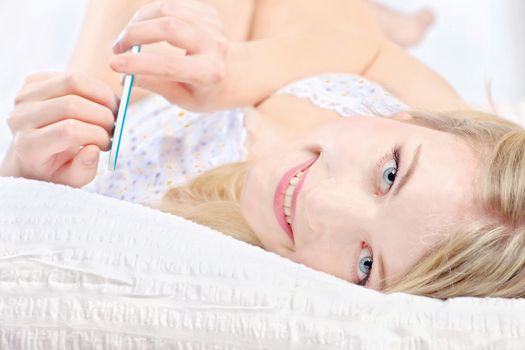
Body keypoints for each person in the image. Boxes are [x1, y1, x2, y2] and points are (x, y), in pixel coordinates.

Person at [1, 0, 524, 299]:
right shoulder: (458, 149)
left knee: (144, 18)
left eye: (365, 264)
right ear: (410, 120)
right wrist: (235, 71)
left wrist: (38, 154)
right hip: (297, 60)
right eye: (389, 175)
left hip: (158, 120)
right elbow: (364, 54)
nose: (319, 206)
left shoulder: (195, 255)